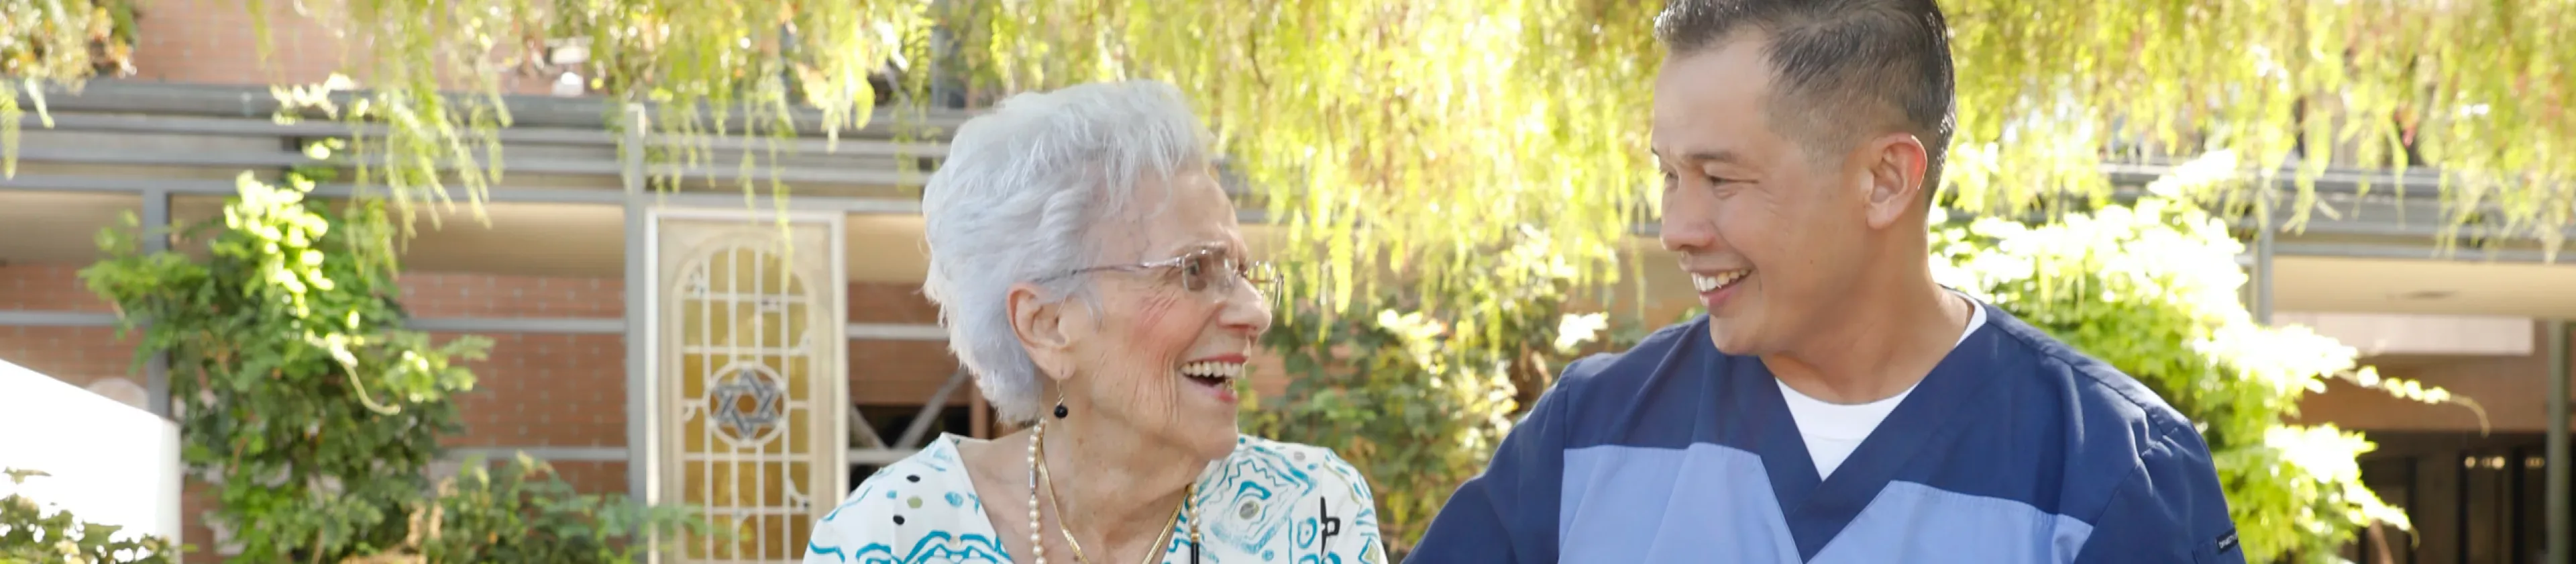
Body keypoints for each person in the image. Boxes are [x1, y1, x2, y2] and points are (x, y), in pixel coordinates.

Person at [1406, 1, 2244, 563]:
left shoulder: (2110, 471)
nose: (1677, 229)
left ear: (1885, 179)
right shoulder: (1586, 434)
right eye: (1668, 175)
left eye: (1721, 180)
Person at [802, 81, 1387, 564]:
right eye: (1193, 271)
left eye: (1239, 270)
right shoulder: (889, 537)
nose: (1256, 311)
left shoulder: (1311, 515)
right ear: (1049, 324)